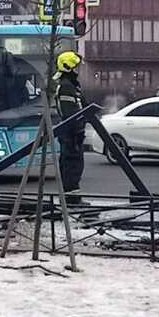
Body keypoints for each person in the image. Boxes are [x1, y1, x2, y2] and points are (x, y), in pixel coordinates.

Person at [53, 50, 87, 203]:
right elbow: (70, 113)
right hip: (70, 135)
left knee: (74, 165)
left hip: (72, 134)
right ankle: (71, 201)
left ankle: (73, 199)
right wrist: (77, 132)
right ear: (69, 68)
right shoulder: (67, 87)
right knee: (71, 166)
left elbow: (81, 106)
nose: (77, 70)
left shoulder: (71, 86)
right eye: (75, 67)